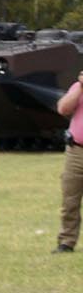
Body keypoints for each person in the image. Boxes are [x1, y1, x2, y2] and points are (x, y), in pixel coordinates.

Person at [55, 69, 83, 252]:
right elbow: (63, 108)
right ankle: (66, 241)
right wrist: (80, 86)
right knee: (70, 199)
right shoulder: (77, 88)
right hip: (77, 151)